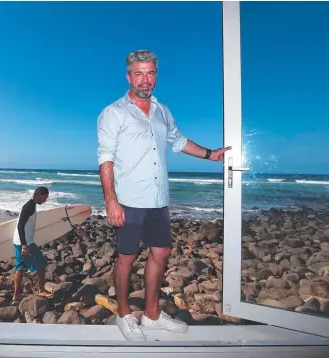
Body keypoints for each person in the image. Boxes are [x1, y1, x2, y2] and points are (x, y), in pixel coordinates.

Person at [96, 49, 231, 341]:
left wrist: (211, 155)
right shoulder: (114, 112)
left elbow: (178, 142)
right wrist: (111, 200)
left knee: (161, 252)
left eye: (151, 72)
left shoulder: (162, 111)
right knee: (126, 258)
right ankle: (123, 315)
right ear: (129, 76)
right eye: (140, 73)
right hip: (130, 200)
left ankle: (152, 315)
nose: (146, 80)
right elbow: (105, 159)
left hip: (159, 199)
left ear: (156, 74)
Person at [12, 186, 53, 302]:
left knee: (20, 267)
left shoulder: (32, 205)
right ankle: (41, 289)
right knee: (42, 263)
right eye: (45, 198)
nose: (45, 200)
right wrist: (24, 245)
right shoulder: (29, 206)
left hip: (19, 241)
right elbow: (20, 225)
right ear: (39, 195)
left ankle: (17, 295)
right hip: (24, 243)